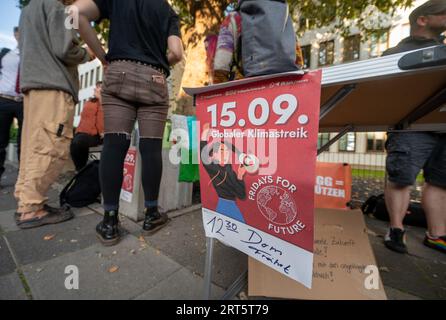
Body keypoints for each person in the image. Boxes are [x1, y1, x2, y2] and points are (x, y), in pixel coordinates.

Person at [74, 0, 184, 246]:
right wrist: (160, 62)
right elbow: (176, 52)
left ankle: (110, 221)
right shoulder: (166, 10)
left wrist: (104, 56)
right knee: (151, 147)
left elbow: (77, 13)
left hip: (119, 70)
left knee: (114, 144)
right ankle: (152, 214)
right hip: (154, 77)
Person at [15, 0, 93, 229]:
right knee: (51, 146)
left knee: (33, 145)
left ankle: (26, 200)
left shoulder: (29, 10)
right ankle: (32, 208)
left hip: (33, 87)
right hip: (54, 86)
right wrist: (87, 53)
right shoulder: (57, 8)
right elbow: (65, 48)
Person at [383, 0, 446, 254]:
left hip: (442, 126)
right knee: (401, 179)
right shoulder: (396, 54)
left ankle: (437, 234)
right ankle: (396, 229)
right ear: (423, 19)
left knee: (441, 183)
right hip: (411, 126)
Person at [200, 124, 247, 223]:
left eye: (226, 151)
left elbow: (241, 195)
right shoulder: (214, 168)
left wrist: (239, 176)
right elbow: (203, 155)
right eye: (221, 150)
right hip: (224, 206)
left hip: (232, 206)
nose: (225, 153)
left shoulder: (230, 171)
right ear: (213, 156)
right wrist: (204, 134)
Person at [0, 27, 22, 187]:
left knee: (24, 141)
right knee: (1, 141)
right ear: (15, 35)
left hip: (24, 101)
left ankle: (23, 178)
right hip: (4, 100)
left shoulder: (32, 56)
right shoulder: (6, 54)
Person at [70, 81, 104, 171]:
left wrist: (101, 101)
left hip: (97, 135)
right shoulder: (90, 102)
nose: (95, 89)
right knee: (76, 143)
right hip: (83, 133)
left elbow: (101, 121)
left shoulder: (105, 104)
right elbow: (83, 118)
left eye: (98, 87)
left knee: (79, 143)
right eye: (96, 87)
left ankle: (81, 170)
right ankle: (80, 170)